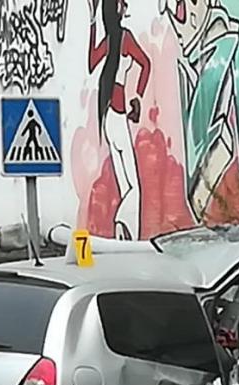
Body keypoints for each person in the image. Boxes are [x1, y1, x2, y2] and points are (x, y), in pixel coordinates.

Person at [88, 0, 151, 240]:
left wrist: (93, 23)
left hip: (107, 115)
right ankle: (127, 230)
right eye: (123, 4)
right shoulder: (124, 38)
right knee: (134, 186)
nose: (126, 7)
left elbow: (92, 61)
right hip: (118, 111)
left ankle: (123, 233)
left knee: (126, 185)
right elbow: (146, 63)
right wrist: (138, 95)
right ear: (116, 9)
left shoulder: (111, 40)